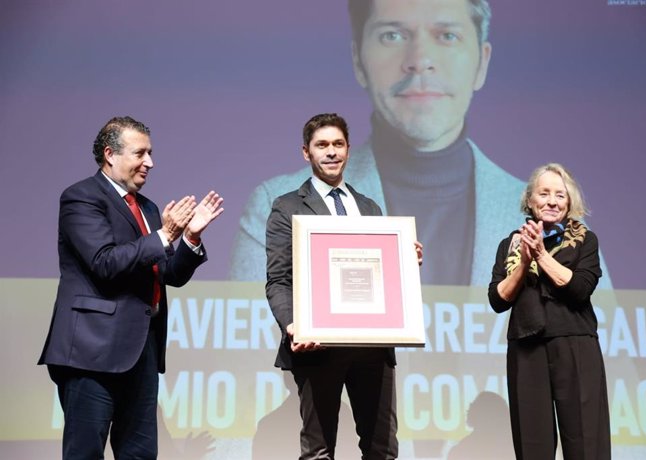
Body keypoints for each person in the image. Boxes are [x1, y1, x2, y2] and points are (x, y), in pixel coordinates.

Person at [228, 0, 611, 288]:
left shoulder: (549, 215)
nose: (420, 60)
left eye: (447, 35)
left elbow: (608, 350)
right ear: (359, 61)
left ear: (482, 62)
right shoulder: (276, 203)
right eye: (392, 35)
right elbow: (247, 357)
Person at [37, 116, 224, 459]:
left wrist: (191, 238)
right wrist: (166, 235)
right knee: (85, 452)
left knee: (139, 454)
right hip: (91, 353)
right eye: (140, 153)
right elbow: (104, 263)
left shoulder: (149, 208)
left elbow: (169, 274)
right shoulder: (81, 198)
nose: (149, 162)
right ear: (110, 154)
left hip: (141, 353)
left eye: (150, 153)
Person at [265, 113, 422, 459]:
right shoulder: (287, 207)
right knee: (319, 450)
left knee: (382, 449)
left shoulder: (369, 207)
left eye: (338, 144)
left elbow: (381, 277)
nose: (331, 152)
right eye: (322, 145)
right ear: (306, 153)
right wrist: (295, 327)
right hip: (316, 345)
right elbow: (278, 280)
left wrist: (403, 264)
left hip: (373, 346)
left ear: (349, 150)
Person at [487, 163, 611, 460]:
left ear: (569, 203)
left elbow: (580, 288)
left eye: (560, 195)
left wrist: (540, 255)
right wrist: (524, 259)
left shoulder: (585, 240)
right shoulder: (511, 244)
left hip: (575, 344)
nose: (552, 201)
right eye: (544, 193)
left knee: (585, 441)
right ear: (530, 201)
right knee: (533, 444)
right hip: (526, 347)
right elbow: (497, 298)